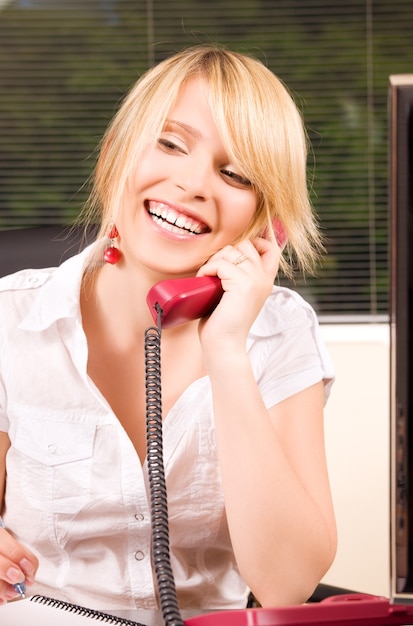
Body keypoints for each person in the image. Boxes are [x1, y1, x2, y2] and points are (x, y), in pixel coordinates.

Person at [0, 44, 337, 611]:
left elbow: (287, 585)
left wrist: (227, 349)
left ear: (265, 223)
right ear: (116, 155)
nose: (193, 184)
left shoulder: (280, 333)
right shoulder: (12, 320)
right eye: (171, 144)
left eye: (235, 173)